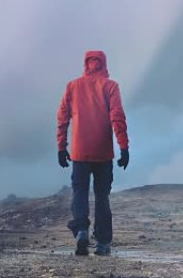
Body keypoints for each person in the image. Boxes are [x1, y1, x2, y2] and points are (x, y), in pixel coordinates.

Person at [56, 50, 129, 256]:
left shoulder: (73, 86)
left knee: (79, 192)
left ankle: (81, 230)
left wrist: (62, 147)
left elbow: (62, 118)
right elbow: (117, 117)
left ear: (86, 64)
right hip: (103, 152)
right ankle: (103, 243)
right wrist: (123, 147)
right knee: (102, 197)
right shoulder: (111, 86)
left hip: (79, 152)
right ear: (103, 63)